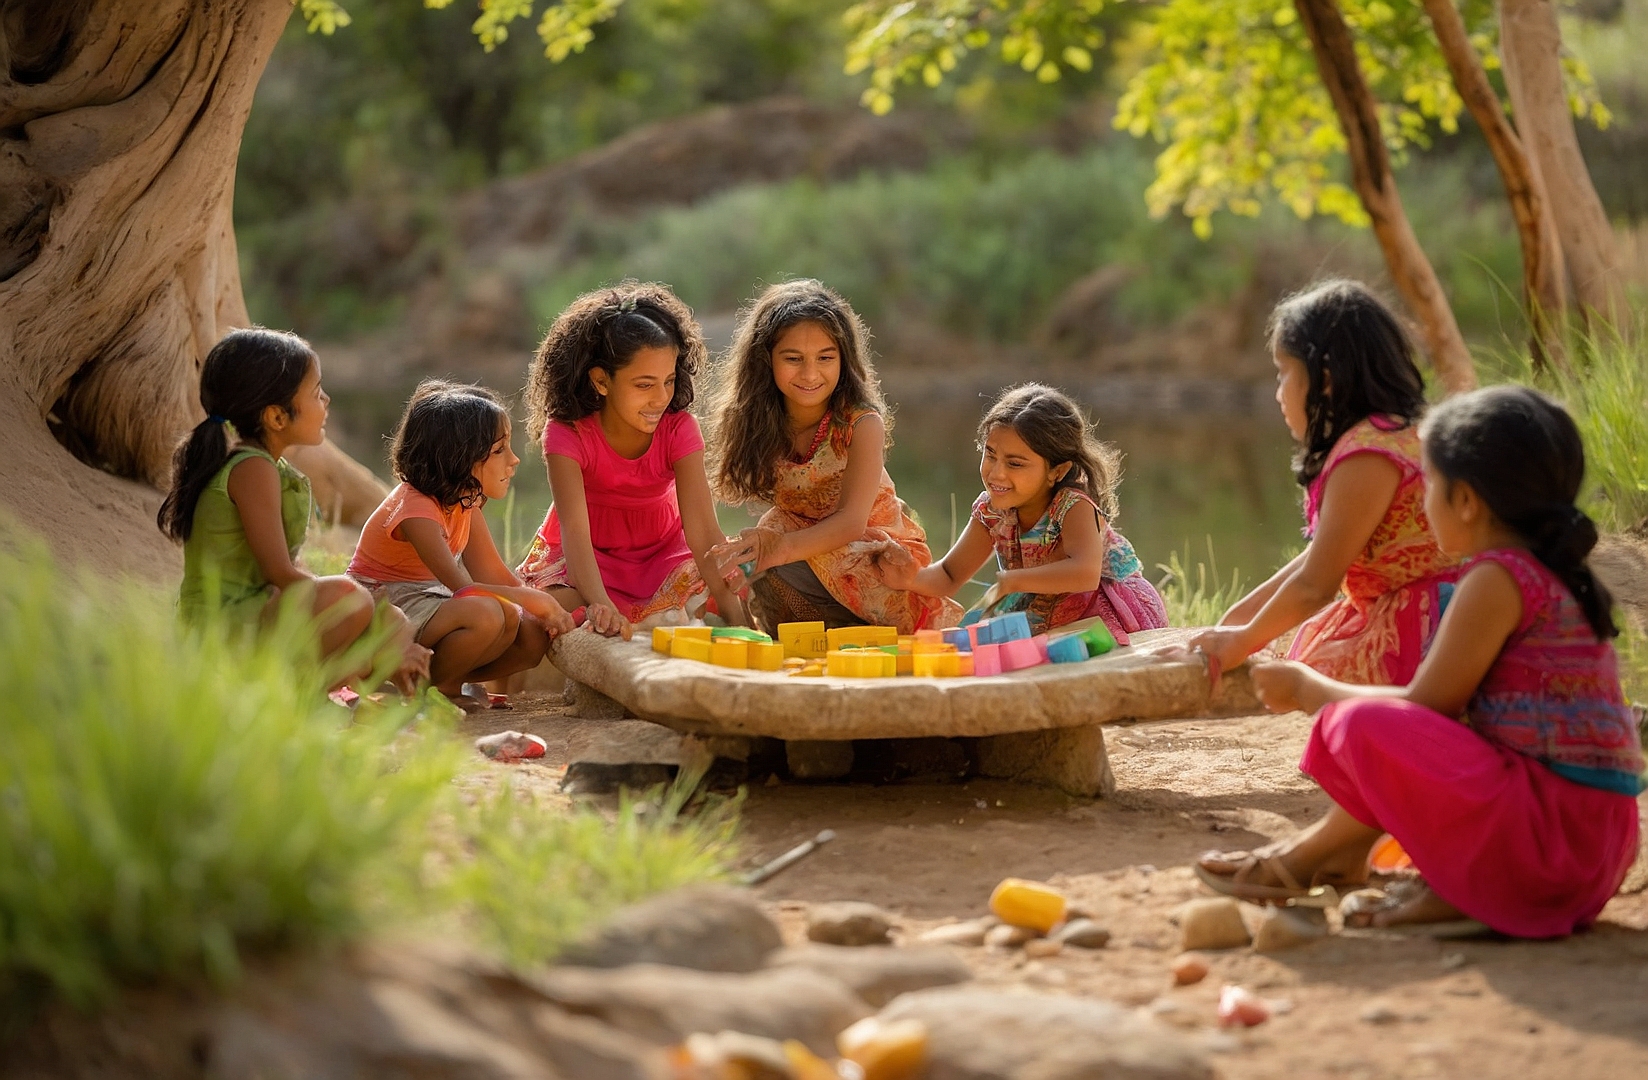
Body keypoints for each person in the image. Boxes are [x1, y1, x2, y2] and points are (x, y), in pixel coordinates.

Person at [1196, 386, 1643, 937]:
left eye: (1429, 483)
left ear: (1466, 501)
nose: (1422, 501)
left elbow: (1426, 706)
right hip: (1590, 845)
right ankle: (1327, 857)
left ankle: (1354, 872)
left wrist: (1307, 687)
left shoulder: (1497, 578)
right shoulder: (1547, 572)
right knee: (1384, 728)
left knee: (1362, 723)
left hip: (1547, 847)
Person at [1190, 279, 1457, 685]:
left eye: (1283, 373)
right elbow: (1321, 556)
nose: (1278, 394)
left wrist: (1242, 641)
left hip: (1424, 626)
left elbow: (1316, 585)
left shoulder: (1367, 455)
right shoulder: (1396, 433)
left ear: (1326, 380)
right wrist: (1234, 623)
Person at [158, 327, 428, 691]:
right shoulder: (252, 469)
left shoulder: (269, 467)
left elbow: (289, 569)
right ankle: (304, 692)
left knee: (389, 618)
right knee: (351, 600)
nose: (326, 400)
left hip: (258, 614)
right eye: (316, 393)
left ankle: (360, 680)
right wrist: (361, 605)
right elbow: (280, 573)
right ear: (276, 417)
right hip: (225, 627)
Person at [706, 279, 959, 634]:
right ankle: (789, 634)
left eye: (825, 358)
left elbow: (851, 523)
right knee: (740, 564)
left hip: (867, 557)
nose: (810, 374)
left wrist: (776, 550)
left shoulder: (861, 424)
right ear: (766, 360)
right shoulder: (761, 422)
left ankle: (847, 632)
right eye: (793, 359)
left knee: (776, 564)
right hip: (800, 543)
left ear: (844, 359)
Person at [515, 282, 744, 639]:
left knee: (731, 593)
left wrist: (739, 620)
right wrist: (601, 605)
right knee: (540, 616)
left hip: (662, 557)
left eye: (669, 381)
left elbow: (702, 531)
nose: (661, 398)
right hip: (587, 559)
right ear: (601, 381)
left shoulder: (679, 429)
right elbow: (575, 533)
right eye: (644, 385)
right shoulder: (566, 433)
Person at [872, 383, 1166, 642]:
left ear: (1057, 470)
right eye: (990, 455)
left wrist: (1014, 581)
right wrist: (911, 577)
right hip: (1044, 610)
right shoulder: (991, 511)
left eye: (1015, 464)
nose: (996, 474)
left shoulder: (1072, 505)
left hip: (1104, 610)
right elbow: (948, 575)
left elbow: (1085, 573)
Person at [349, 380, 570, 709]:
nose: (514, 460)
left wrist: (548, 611)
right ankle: (438, 687)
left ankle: (440, 680)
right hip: (385, 610)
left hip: (430, 604)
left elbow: (493, 575)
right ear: (458, 458)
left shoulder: (464, 502)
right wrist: (532, 598)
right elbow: (465, 590)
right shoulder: (416, 511)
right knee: (488, 614)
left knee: (530, 632)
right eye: (499, 450)